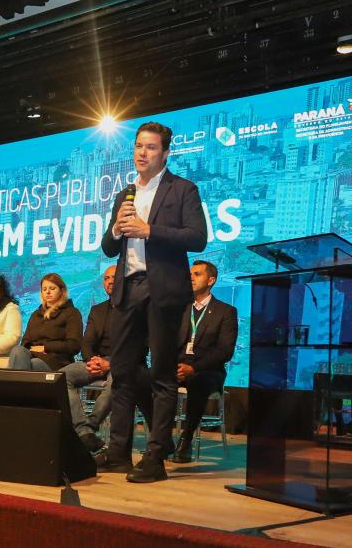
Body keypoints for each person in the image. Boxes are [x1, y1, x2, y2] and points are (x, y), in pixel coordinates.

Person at [99, 121, 208, 483]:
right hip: (128, 289)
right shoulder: (125, 193)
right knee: (123, 372)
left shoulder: (183, 190)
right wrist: (116, 229)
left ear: (165, 153)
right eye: (138, 146)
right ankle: (118, 453)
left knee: (162, 375)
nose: (141, 153)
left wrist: (150, 231)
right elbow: (109, 247)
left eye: (150, 147)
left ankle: (156, 456)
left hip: (163, 290)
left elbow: (198, 238)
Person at [169, 260, 237, 464]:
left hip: (208, 370)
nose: (191, 277)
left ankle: (186, 440)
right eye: (190, 273)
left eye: (197, 274)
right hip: (178, 366)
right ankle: (162, 439)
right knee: (148, 379)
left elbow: (225, 351)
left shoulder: (226, 311)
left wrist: (194, 367)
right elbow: (168, 342)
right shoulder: (180, 308)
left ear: (211, 280)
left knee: (197, 382)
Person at [61, 265, 116, 453]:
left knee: (117, 379)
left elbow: (137, 348)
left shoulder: (135, 311)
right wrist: (92, 361)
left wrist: (109, 364)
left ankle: (90, 427)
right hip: (96, 361)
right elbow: (87, 341)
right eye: (106, 278)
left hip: (121, 364)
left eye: (114, 277)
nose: (110, 281)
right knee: (63, 376)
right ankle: (83, 431)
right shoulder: (98, 310)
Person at [7, 273, 82, 371]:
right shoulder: (36, 314)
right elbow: (25, 341)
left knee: (35, 363)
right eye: (44, 289)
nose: (48, 292)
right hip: (33, 355)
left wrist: (45, 347)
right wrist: (31, 348)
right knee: (17, 350)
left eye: (52, 288)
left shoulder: (71, 313)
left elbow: (74, 345)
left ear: (62, 290)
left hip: (57, 361)